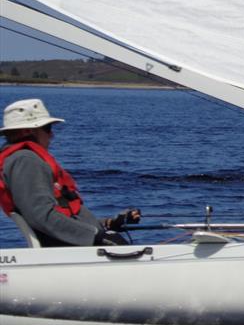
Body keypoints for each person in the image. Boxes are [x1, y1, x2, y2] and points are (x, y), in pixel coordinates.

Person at [0, 99, 141, 247]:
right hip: (71, 252)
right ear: (28, 131)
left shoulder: (22, 159)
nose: (52, 135)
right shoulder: (26, 160)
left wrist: (109, 223)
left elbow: (64, 216)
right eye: (48, 128)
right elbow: (40, 215)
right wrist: (97, 236)